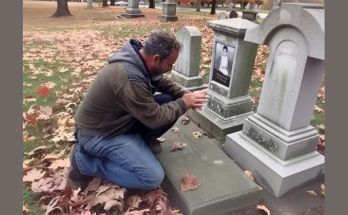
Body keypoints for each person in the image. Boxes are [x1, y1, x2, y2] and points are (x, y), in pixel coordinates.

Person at [67, 31, 208, 191]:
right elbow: (155, 118)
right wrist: (184, 103)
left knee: (168, 100)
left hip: (117, 121)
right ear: (156, 58)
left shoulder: (140, 59)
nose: (170, 69)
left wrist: (183, 94)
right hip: (99, 134)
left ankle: (142, 139)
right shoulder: (129, 77)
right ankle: (84, 162)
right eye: (169, 64)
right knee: (152, 177)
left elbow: (162, 82)